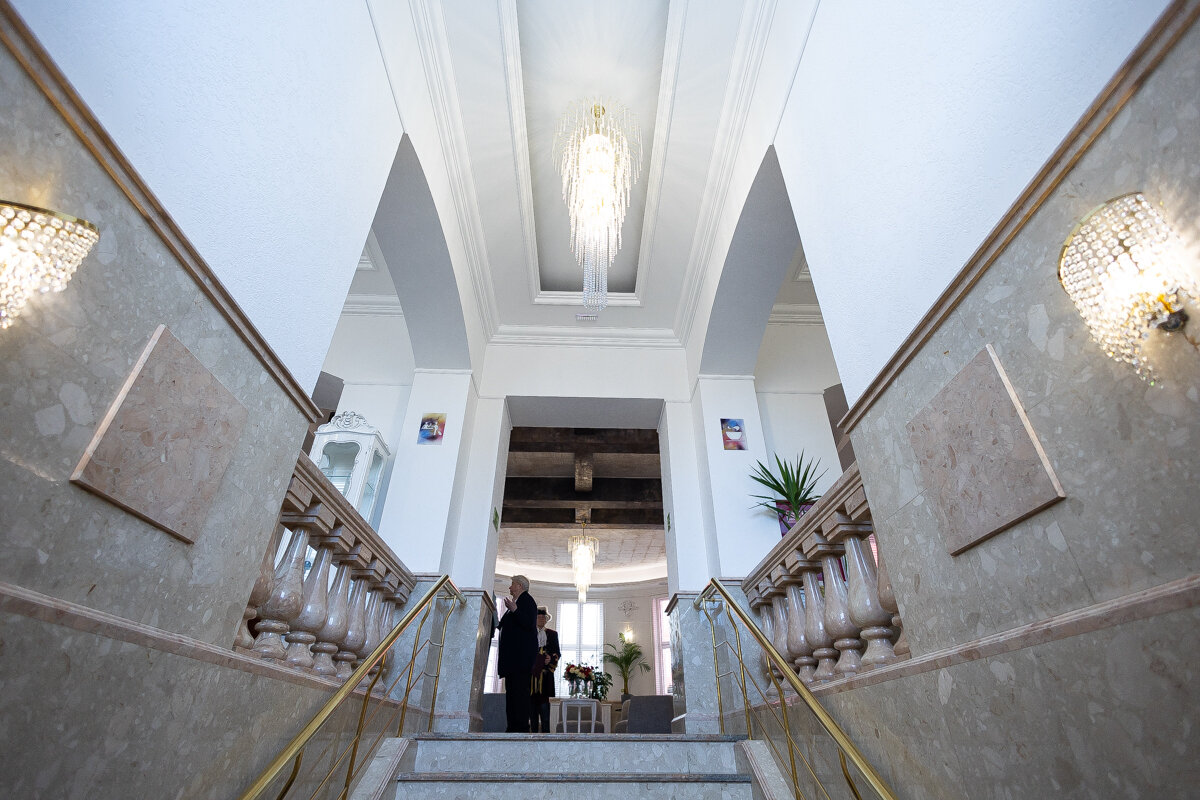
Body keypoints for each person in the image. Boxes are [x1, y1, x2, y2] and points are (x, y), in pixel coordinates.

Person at [496, 574, 537, 733]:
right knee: (512, 694)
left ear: (520, 585)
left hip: (520, 660)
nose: (510, 587)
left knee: (519, 694)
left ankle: (520, 729)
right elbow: (504, 625)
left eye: (512, 584)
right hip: (513, 661)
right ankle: (512, 728)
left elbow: (529, 624)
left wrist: (515, 610)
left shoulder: (527, 601)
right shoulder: (517, 602)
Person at [529, 606, 561, 733]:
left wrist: (550, 659)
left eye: (543, 617)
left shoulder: (552, 634)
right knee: (532, 712)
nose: (541, 619)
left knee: (545, 712)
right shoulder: (529, 633)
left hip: (545, 677)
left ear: (546, 619)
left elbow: (557, 653)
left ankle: (546, 737)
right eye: (538, 617)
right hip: (530, 678)